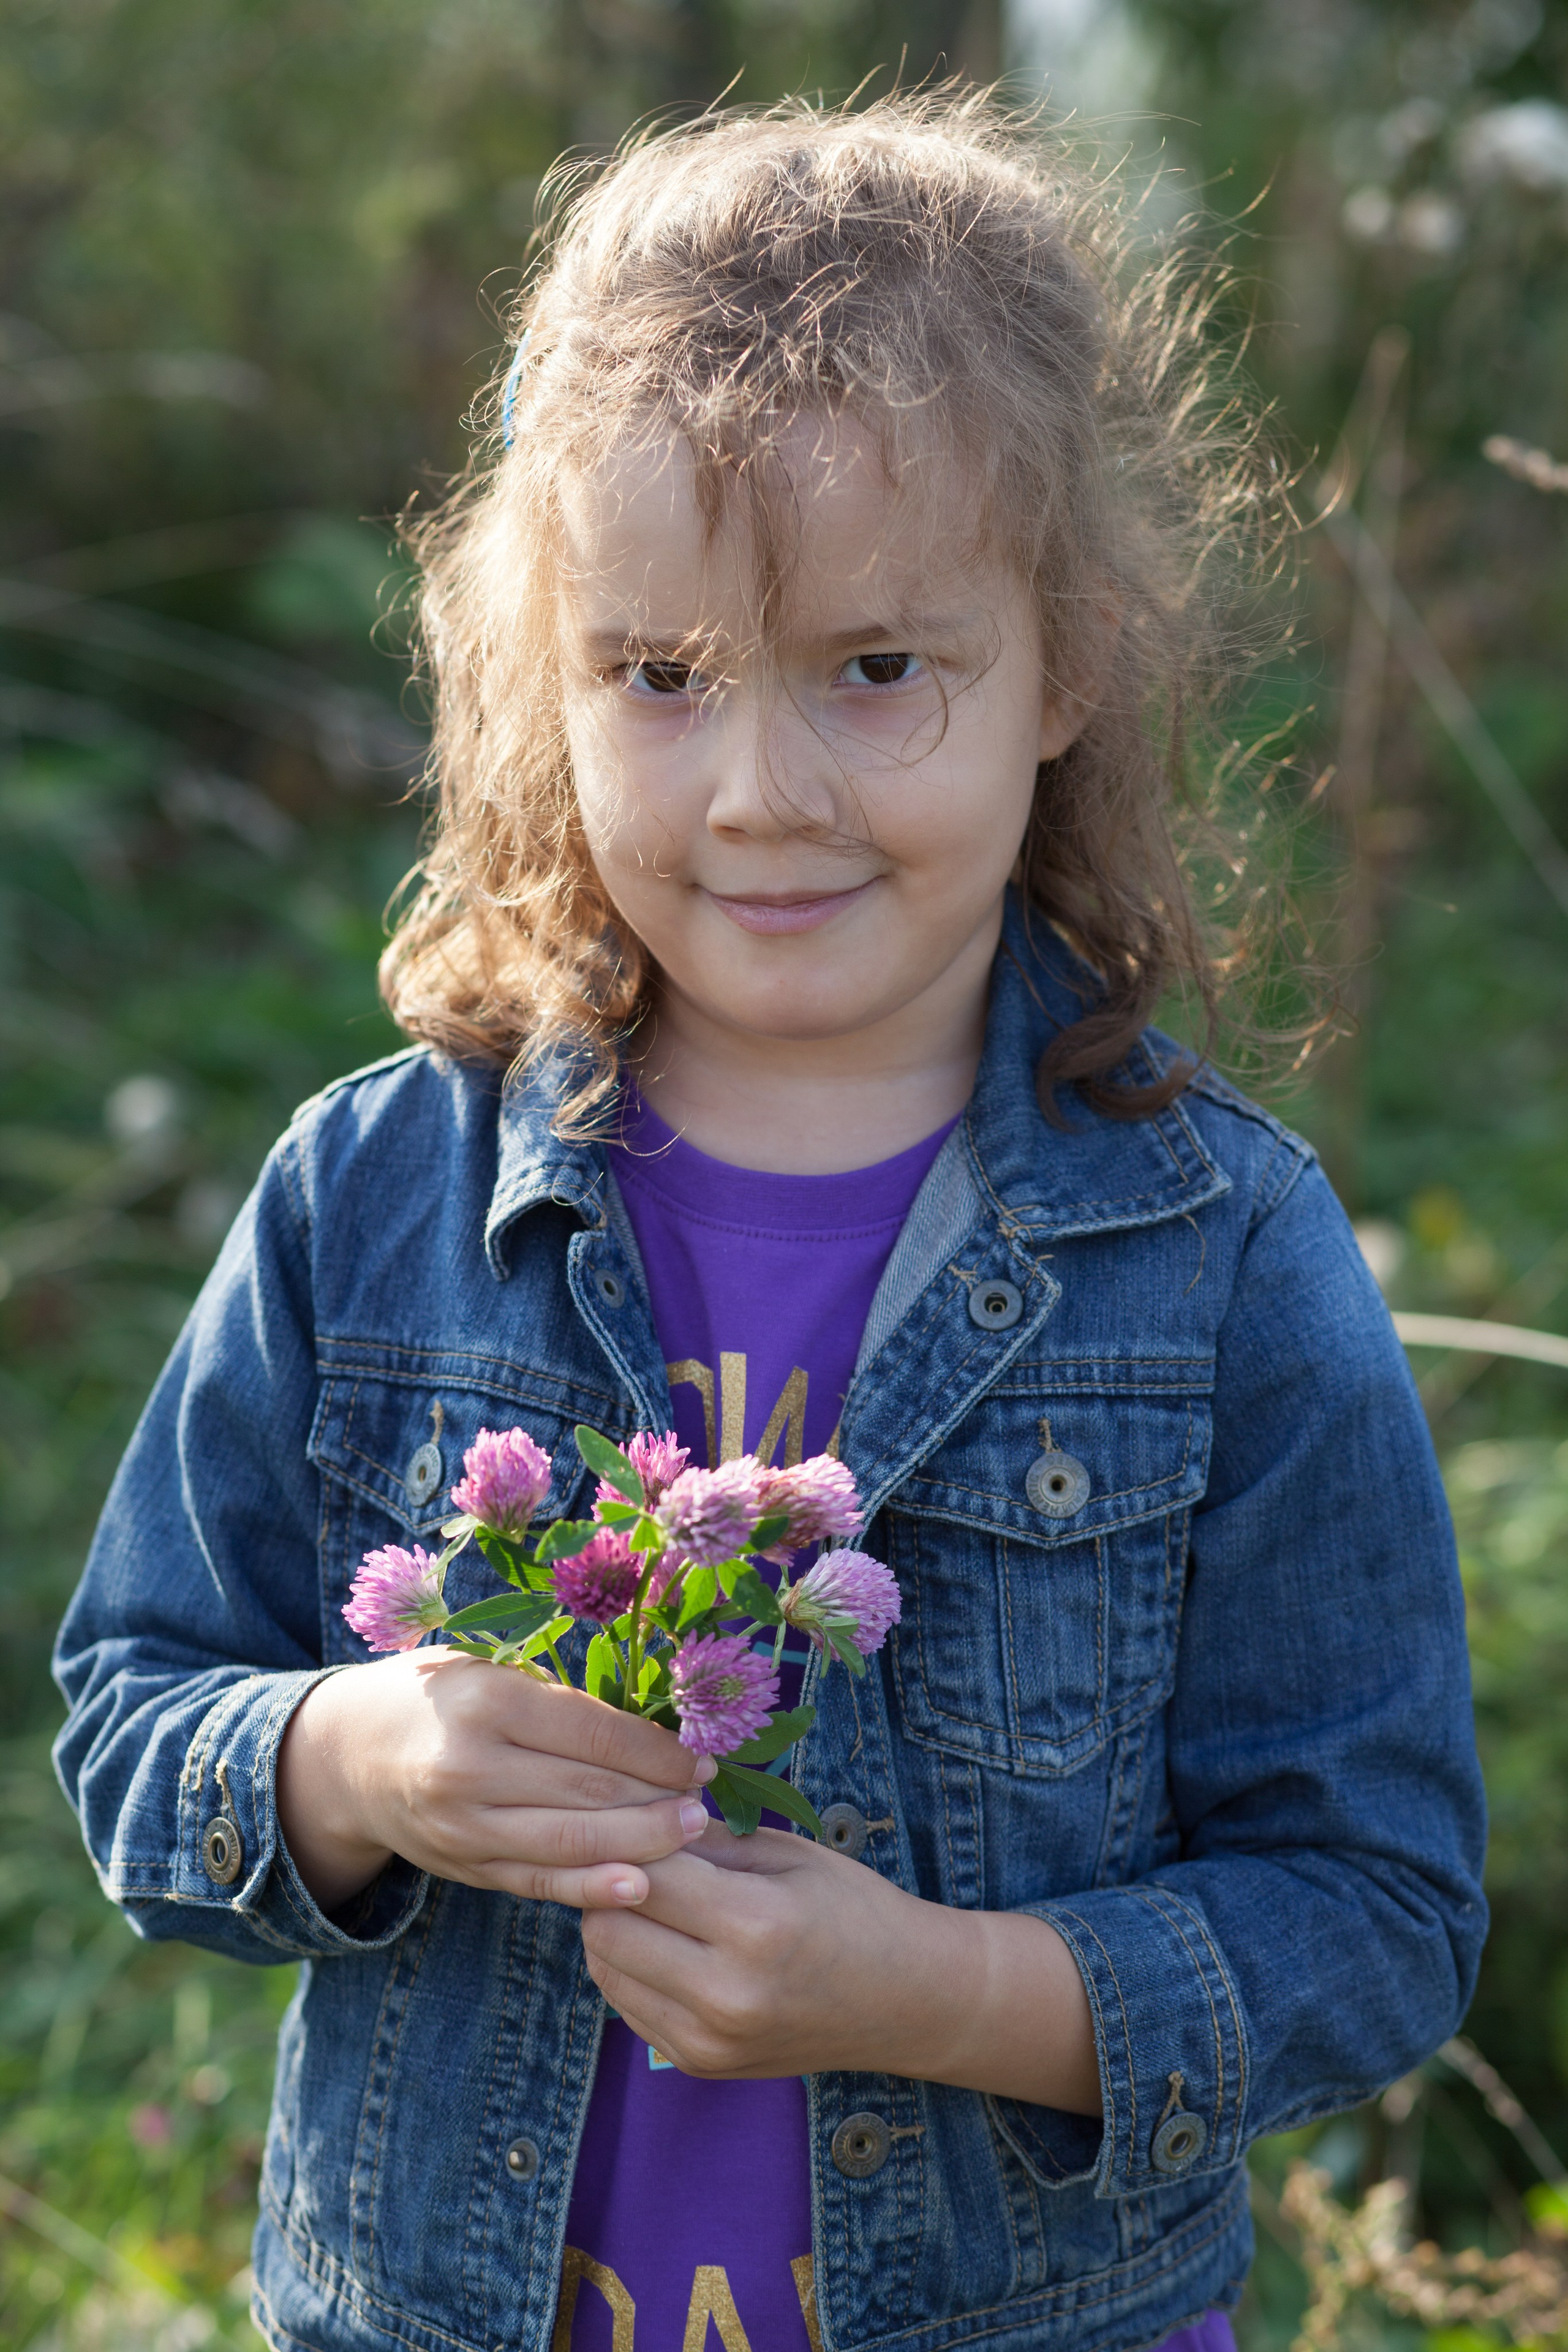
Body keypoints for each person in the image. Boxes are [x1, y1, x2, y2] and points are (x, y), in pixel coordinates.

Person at [53, 92, 1487, 2352]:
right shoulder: (377, 1191)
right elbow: (135, 1717)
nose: (759, 793)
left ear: (1070, 658)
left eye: (877, 666)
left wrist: (941, 1990)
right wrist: (358, 1760)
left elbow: (1380, 1916)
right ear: (547, 670)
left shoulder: (1219, 1254)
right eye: (660, 676)